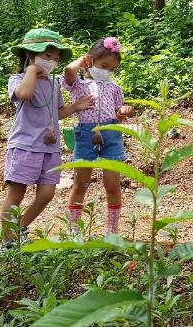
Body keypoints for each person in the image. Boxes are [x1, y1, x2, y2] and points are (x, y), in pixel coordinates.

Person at [0, 28, 93, 250]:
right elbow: (24, 95)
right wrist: (31, 71)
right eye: (46, 56)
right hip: (24, 146)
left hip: (49, 148)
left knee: (46, 194)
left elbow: (57, 112)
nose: (52, 61)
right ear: (30, 55)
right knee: (17, 193)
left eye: (56, 58)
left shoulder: (53, 84)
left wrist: (76, 106)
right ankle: (6, 242)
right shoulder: (18, 79)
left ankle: (18, 231)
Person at [63, 37, 135, 236]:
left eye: (112, 69)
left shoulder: (114, 88)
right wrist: (80, 61)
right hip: (87, 135)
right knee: (81, 183)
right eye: (104, 66)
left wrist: (123, 110)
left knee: (112, 184)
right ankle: (74, 229)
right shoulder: (79, 85)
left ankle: (112, 229)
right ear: (91, 61)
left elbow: (117, 112)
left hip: (111, 136)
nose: (108, 71)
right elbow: (68, 72)